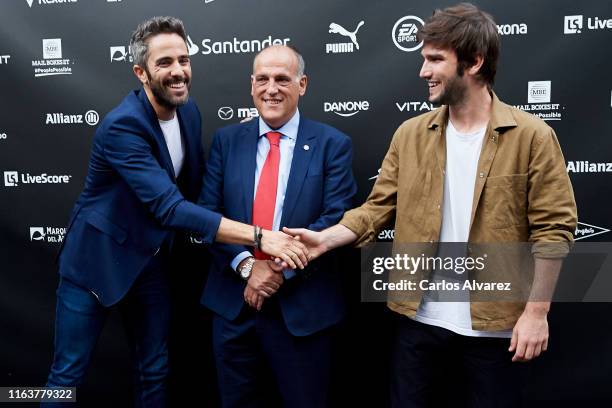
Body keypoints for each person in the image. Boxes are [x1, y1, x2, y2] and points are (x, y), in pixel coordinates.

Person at [285, 3, 577, 407]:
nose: (423, 71)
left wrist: (537, 312)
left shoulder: (532, 136)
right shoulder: (410, 134)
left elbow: (554, 231)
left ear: (474, 62)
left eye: (435, 59)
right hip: (418, 322)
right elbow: (375, 209)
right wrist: (325, 239)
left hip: (495, 329)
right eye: (424, 59)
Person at [44, 17, 308, 408]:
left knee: (155, 369)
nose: (178, 71)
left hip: (150, 263)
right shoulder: (122, 126)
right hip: (95, 264)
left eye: (183, 60)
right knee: (67, 373)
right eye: (164, 63)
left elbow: (197, 195)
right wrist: (258, 236)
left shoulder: (188, 112)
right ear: (141, 72)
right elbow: (169, 206)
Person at [199, 45, 357, 408]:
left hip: (303, 311)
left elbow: (335, 218)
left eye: (282, 79)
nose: (271, 88)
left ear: (302, 84)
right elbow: (208, 214)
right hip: (234, 306)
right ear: (251, 85)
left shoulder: (332, 145)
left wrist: (276, 272)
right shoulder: (226, 142)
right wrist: (248, 267)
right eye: (263, 79)